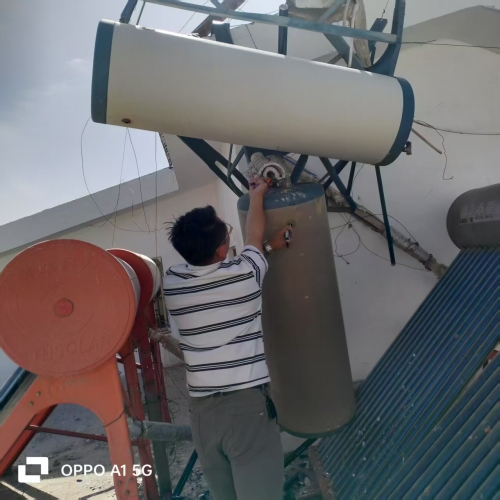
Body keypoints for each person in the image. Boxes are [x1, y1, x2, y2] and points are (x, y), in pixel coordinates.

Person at [163, 178, 293, 500]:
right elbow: (254, 236)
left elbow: (250, 248)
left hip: (202, 416)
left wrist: (264, 248)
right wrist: (257, 194)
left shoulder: (173, 283)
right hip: (245, 410)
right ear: (222, 249)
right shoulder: (246, 277)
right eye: (227, 235)